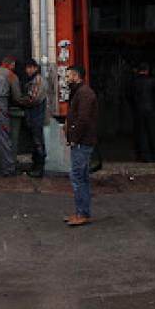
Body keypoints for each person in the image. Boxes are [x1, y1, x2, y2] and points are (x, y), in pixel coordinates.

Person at [64, 65, 98, 226]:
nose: (66, 78)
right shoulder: (79, 92)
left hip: (82, 142)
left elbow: (83, 119)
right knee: (81, 177)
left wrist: (74, 138)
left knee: (78, 177)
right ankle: (82, 211)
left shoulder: (84, 93)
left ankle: (82, 213)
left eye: (68, 75)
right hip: (82, 140)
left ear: (76, 76)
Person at [130, 62, 155, 162]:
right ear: (147, 70)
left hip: (138, 110)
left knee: (140, 133)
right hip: (150, 109)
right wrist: (154, 106)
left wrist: (135, 107)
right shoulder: (153, 81)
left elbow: (129, 96)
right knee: (152, 132)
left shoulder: (133, 82)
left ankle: (143, 155)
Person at [21, 58, 47, 178]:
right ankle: (35, 166)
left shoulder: (38, 80)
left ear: (36, 68)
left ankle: (39, 168)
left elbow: (33, 99)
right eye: (27, 68)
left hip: (36, 116)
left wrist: (21, 100)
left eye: (30, 67)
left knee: (38, 143)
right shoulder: (32, 80)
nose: (28, 70)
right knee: (35, 143)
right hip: (32, 116)